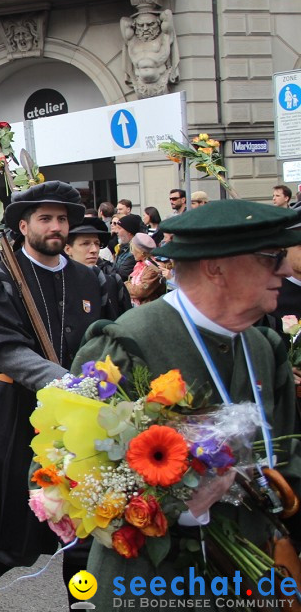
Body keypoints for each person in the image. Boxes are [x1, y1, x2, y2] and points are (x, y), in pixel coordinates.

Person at [71, 199, 301, 607]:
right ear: (216, 267)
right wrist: (176, 501)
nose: (286, 269)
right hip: (154, 584)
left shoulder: (263, 346)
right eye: (272, 257)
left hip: (252, 576)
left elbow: (288, 455)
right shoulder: (127, 343)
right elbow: (66, 470)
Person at [0, 181, 103, 611]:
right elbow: (5, 350)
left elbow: (108, 339)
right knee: (17, 528)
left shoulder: (89, 278)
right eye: (46, 219)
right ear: (23, 225)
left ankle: (81, 605)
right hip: (21, 414)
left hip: (83, 417)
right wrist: (69, 385)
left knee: (82, 527)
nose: (57, 227)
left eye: (63, 219)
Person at [125, 232, 165, 306]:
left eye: (133, 249)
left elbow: (140, 291)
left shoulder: (153, 269)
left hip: (148, 308)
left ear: (141, 252)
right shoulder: (140, 265)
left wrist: (125, 285)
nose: (132, 252)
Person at [112, 213, 142, 281]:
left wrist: (102, 264)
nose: (117, 231)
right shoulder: (123, 247)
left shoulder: (133, 252)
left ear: (129, 232)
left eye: (119, 228)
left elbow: (121, 275)